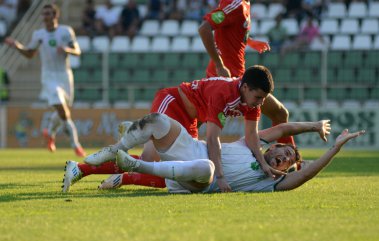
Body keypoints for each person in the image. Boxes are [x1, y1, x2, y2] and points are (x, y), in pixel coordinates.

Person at [85, 65, 281, 192]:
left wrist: (264, 164)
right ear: (245, 87)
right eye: (258, 97)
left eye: (264, 98)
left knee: (179, 174)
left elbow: (252, 136)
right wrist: (220, 176)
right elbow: (213, 139)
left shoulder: (252, 102)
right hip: (172, 103)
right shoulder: (223, 93)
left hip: (189, 119)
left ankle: (136, 137)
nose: (261, 103)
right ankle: (85, 167)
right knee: (149, 161)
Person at [62, 113, 364, 193]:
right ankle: (113, 154)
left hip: (196, 178)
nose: (283, 157)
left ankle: (129, 168)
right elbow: (283, 128)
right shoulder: (252, 143)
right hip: (190, 150)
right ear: (271, 147)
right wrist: (313, 127)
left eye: (287, 160)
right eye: (282, 151)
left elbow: (307, 174)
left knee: (206, 167)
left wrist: (335, 149)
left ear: (286, 170)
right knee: (159, 122)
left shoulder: (272, 184)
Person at [198, 0, 295, 147]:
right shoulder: (235, 4)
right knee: (280, 113)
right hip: (227, 79)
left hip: (238, 78)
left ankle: (292, 162)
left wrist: (249, 41)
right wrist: (219, 65)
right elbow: (204, 28)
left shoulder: (243, 4)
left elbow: (230, 28)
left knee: (280, 114)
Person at [4, 4, 86, 157]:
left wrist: (67, 50)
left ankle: (49, 132)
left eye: (48, 14)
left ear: (55, 16)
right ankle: (76, 145)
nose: (45, 17)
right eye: (43, 14)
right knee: (63, 111)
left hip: (65, 76)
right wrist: (16, 46)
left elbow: (77, 51)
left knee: (64, 110)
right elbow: (30, 54)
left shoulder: (65, 31)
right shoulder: (39, 35)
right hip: (49, 77)